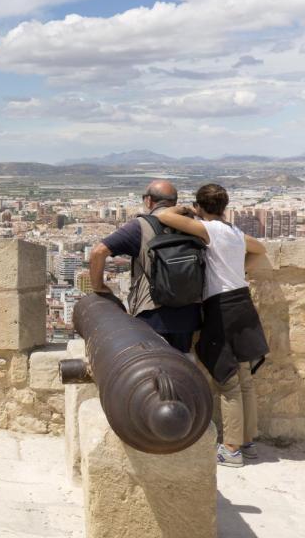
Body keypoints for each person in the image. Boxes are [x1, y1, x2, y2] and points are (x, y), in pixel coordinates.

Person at [154, 184, 269, 467]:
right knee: (244, 380)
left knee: (228, 381)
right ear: (225, 205)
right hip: (243, 302)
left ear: (202, 206)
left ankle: (231, 450)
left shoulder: (211, 230)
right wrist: (241, 271)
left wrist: (187, 210)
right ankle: (248, 441)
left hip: (223, 308)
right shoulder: (234, 233)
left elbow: (164, 217)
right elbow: (260, 250)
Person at [89, 180, 202, 353]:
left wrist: (99, 287)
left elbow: (98, 252)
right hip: (189, 313)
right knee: (182, 364)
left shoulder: (140, 226)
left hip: (152, 313)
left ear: (148, 200)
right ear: (175, 202)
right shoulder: (193, 225)